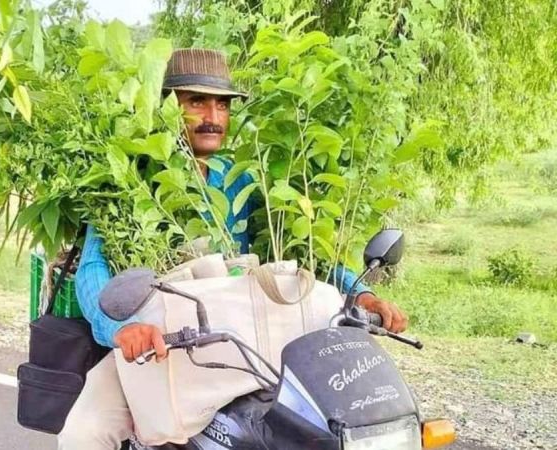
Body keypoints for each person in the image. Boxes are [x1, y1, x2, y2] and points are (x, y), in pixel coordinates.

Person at [58, 48, 408, 450]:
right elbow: (93, 273)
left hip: (246, 344)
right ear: (167, 109)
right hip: (162, 352)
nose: (212, 117)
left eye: (222, 105)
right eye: (196, 102)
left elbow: (305, 255)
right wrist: (124, 329)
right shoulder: (129, 181)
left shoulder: (242, 182)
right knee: (85, 432)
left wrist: (359, 292)